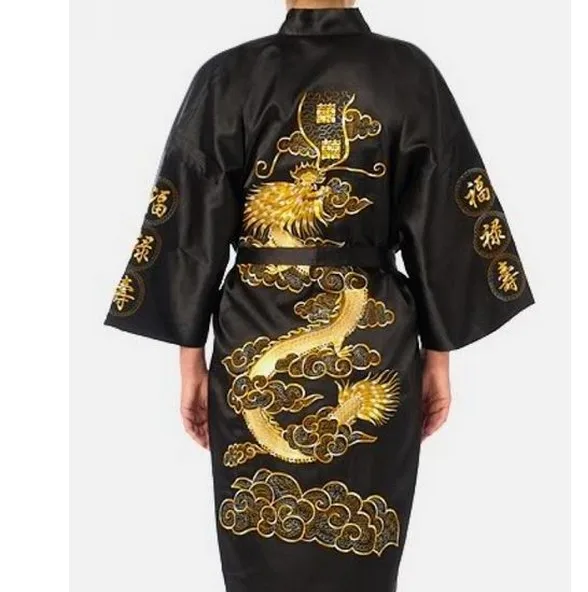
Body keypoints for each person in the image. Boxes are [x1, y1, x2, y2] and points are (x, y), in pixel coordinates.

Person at [104, 1, 534, 590]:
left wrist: (190, 363)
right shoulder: (408, 73)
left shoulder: (227, 77)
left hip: (253, 327)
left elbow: (190, 231)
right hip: (376, 337)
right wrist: (438, 358)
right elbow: (444, 227)